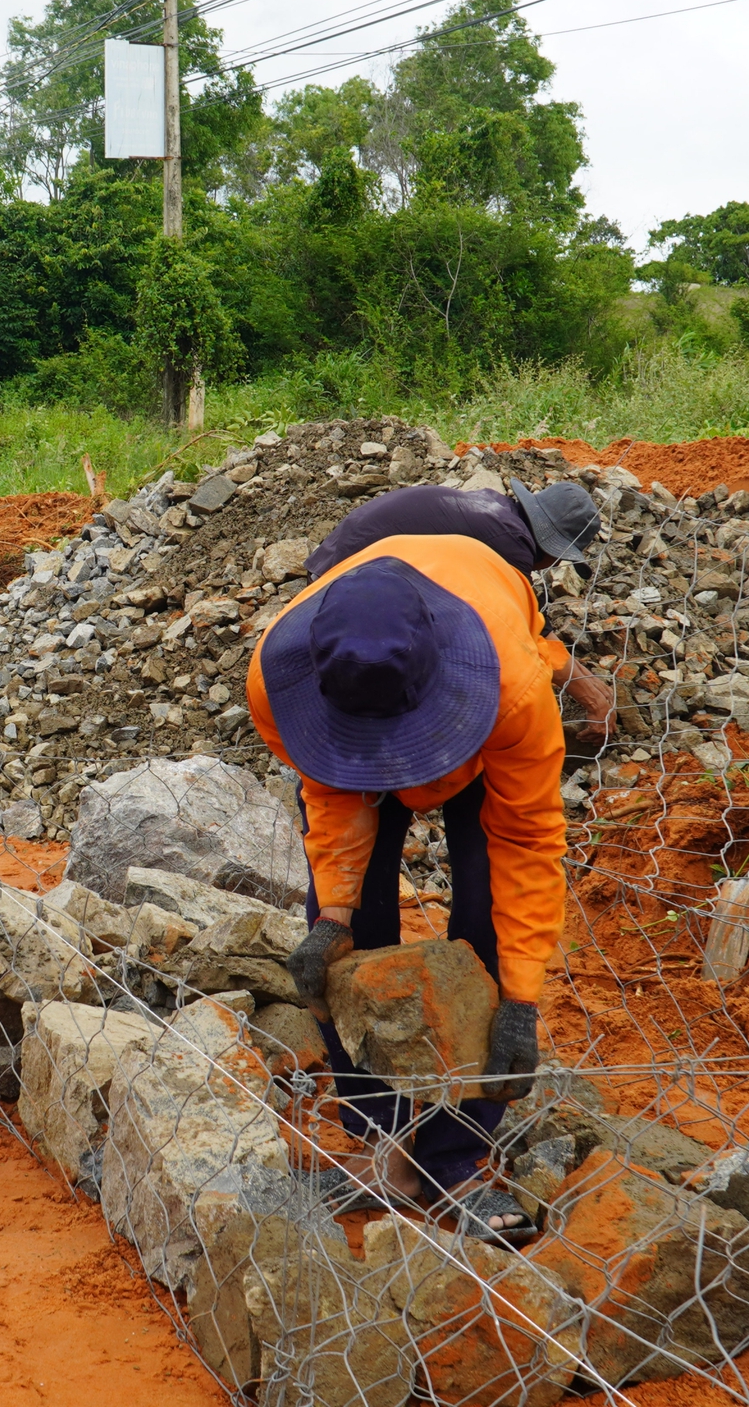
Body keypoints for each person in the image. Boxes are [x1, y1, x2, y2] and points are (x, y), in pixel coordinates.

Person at [249, 532, 564, 1241]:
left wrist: (518, 997)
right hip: (362, 723)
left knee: (484, 922)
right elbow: (331, 795)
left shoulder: (513, 687)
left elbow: (529, 841)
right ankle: (380, 1148)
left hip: (475, 728)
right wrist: (334, 914)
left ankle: (456, 1160)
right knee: (344, 940)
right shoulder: (276, 680)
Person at [308, 480, 615, 753]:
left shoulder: (497, 512)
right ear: (551, 544)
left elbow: (531, 615)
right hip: (343, 585)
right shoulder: (510, 542)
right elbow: (526, 629)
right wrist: (589, 693)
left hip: (338, 563)